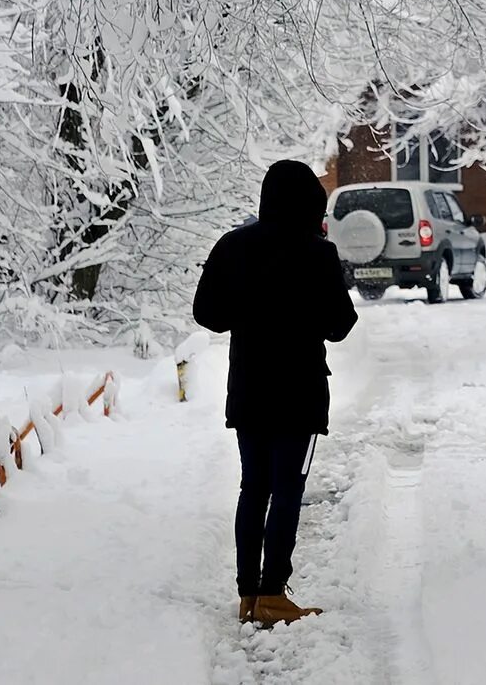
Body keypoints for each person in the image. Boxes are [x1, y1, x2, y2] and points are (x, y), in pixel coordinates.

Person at [193, 160, 357, 627]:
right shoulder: (317, 253)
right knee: (287, 490)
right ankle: (273, 593)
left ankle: (247, 593)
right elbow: (340, 326)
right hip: (300, 394)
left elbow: (208, 314)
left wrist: (249, 303)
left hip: (249, 388)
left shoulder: (232, 245)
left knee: (253, 487)